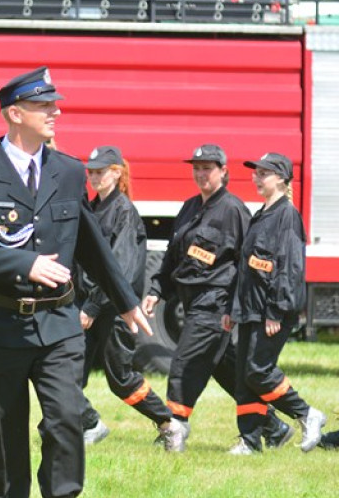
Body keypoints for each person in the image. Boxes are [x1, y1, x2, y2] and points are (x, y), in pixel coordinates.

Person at [0, 67, 151, 498]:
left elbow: (89, 241)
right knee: (0, 427)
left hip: (58, 323)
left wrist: (125, 298)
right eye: (44, 107)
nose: (55, 113)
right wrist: (23, 263)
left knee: (64, 421)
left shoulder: (70, 172)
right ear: (15, 114)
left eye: (55, 106)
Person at [142, 144, 292, 453]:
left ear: (223, 172)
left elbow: (247, 263)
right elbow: (174, 257)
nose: (200, 173)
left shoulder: (234, 210)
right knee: (228, 370)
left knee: (184, 362)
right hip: (190, 300)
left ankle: (176, 427)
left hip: (216, 303)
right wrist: (157, 290)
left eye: (207, 168)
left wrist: (239, 306)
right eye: (196, 167)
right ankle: (274, 427)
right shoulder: (189, 207)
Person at [77, 146, 184, 445]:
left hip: (113, 310)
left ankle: (168, 423)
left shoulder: (124, 212)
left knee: (121, 379)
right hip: (89, 305)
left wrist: (93, 306)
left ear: (116, 172)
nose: (94, 177)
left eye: (100, 171)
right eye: (91, 172)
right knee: (67, 373)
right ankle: (87, 424)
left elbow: (118, 269)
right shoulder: (92, 208)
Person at [223, 153, 326, 454]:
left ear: (281, 178)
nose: (256, 177)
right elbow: (247, 268)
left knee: (258, 370)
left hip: (271, 311)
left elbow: (290, 267)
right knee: (244, 377)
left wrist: (277, 311)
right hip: (251, 308)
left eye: (263, 173)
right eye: (256, 172)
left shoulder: (287, 215)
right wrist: (234, 309)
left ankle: (306, 414)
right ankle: (250, 441)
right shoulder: (262, 213)